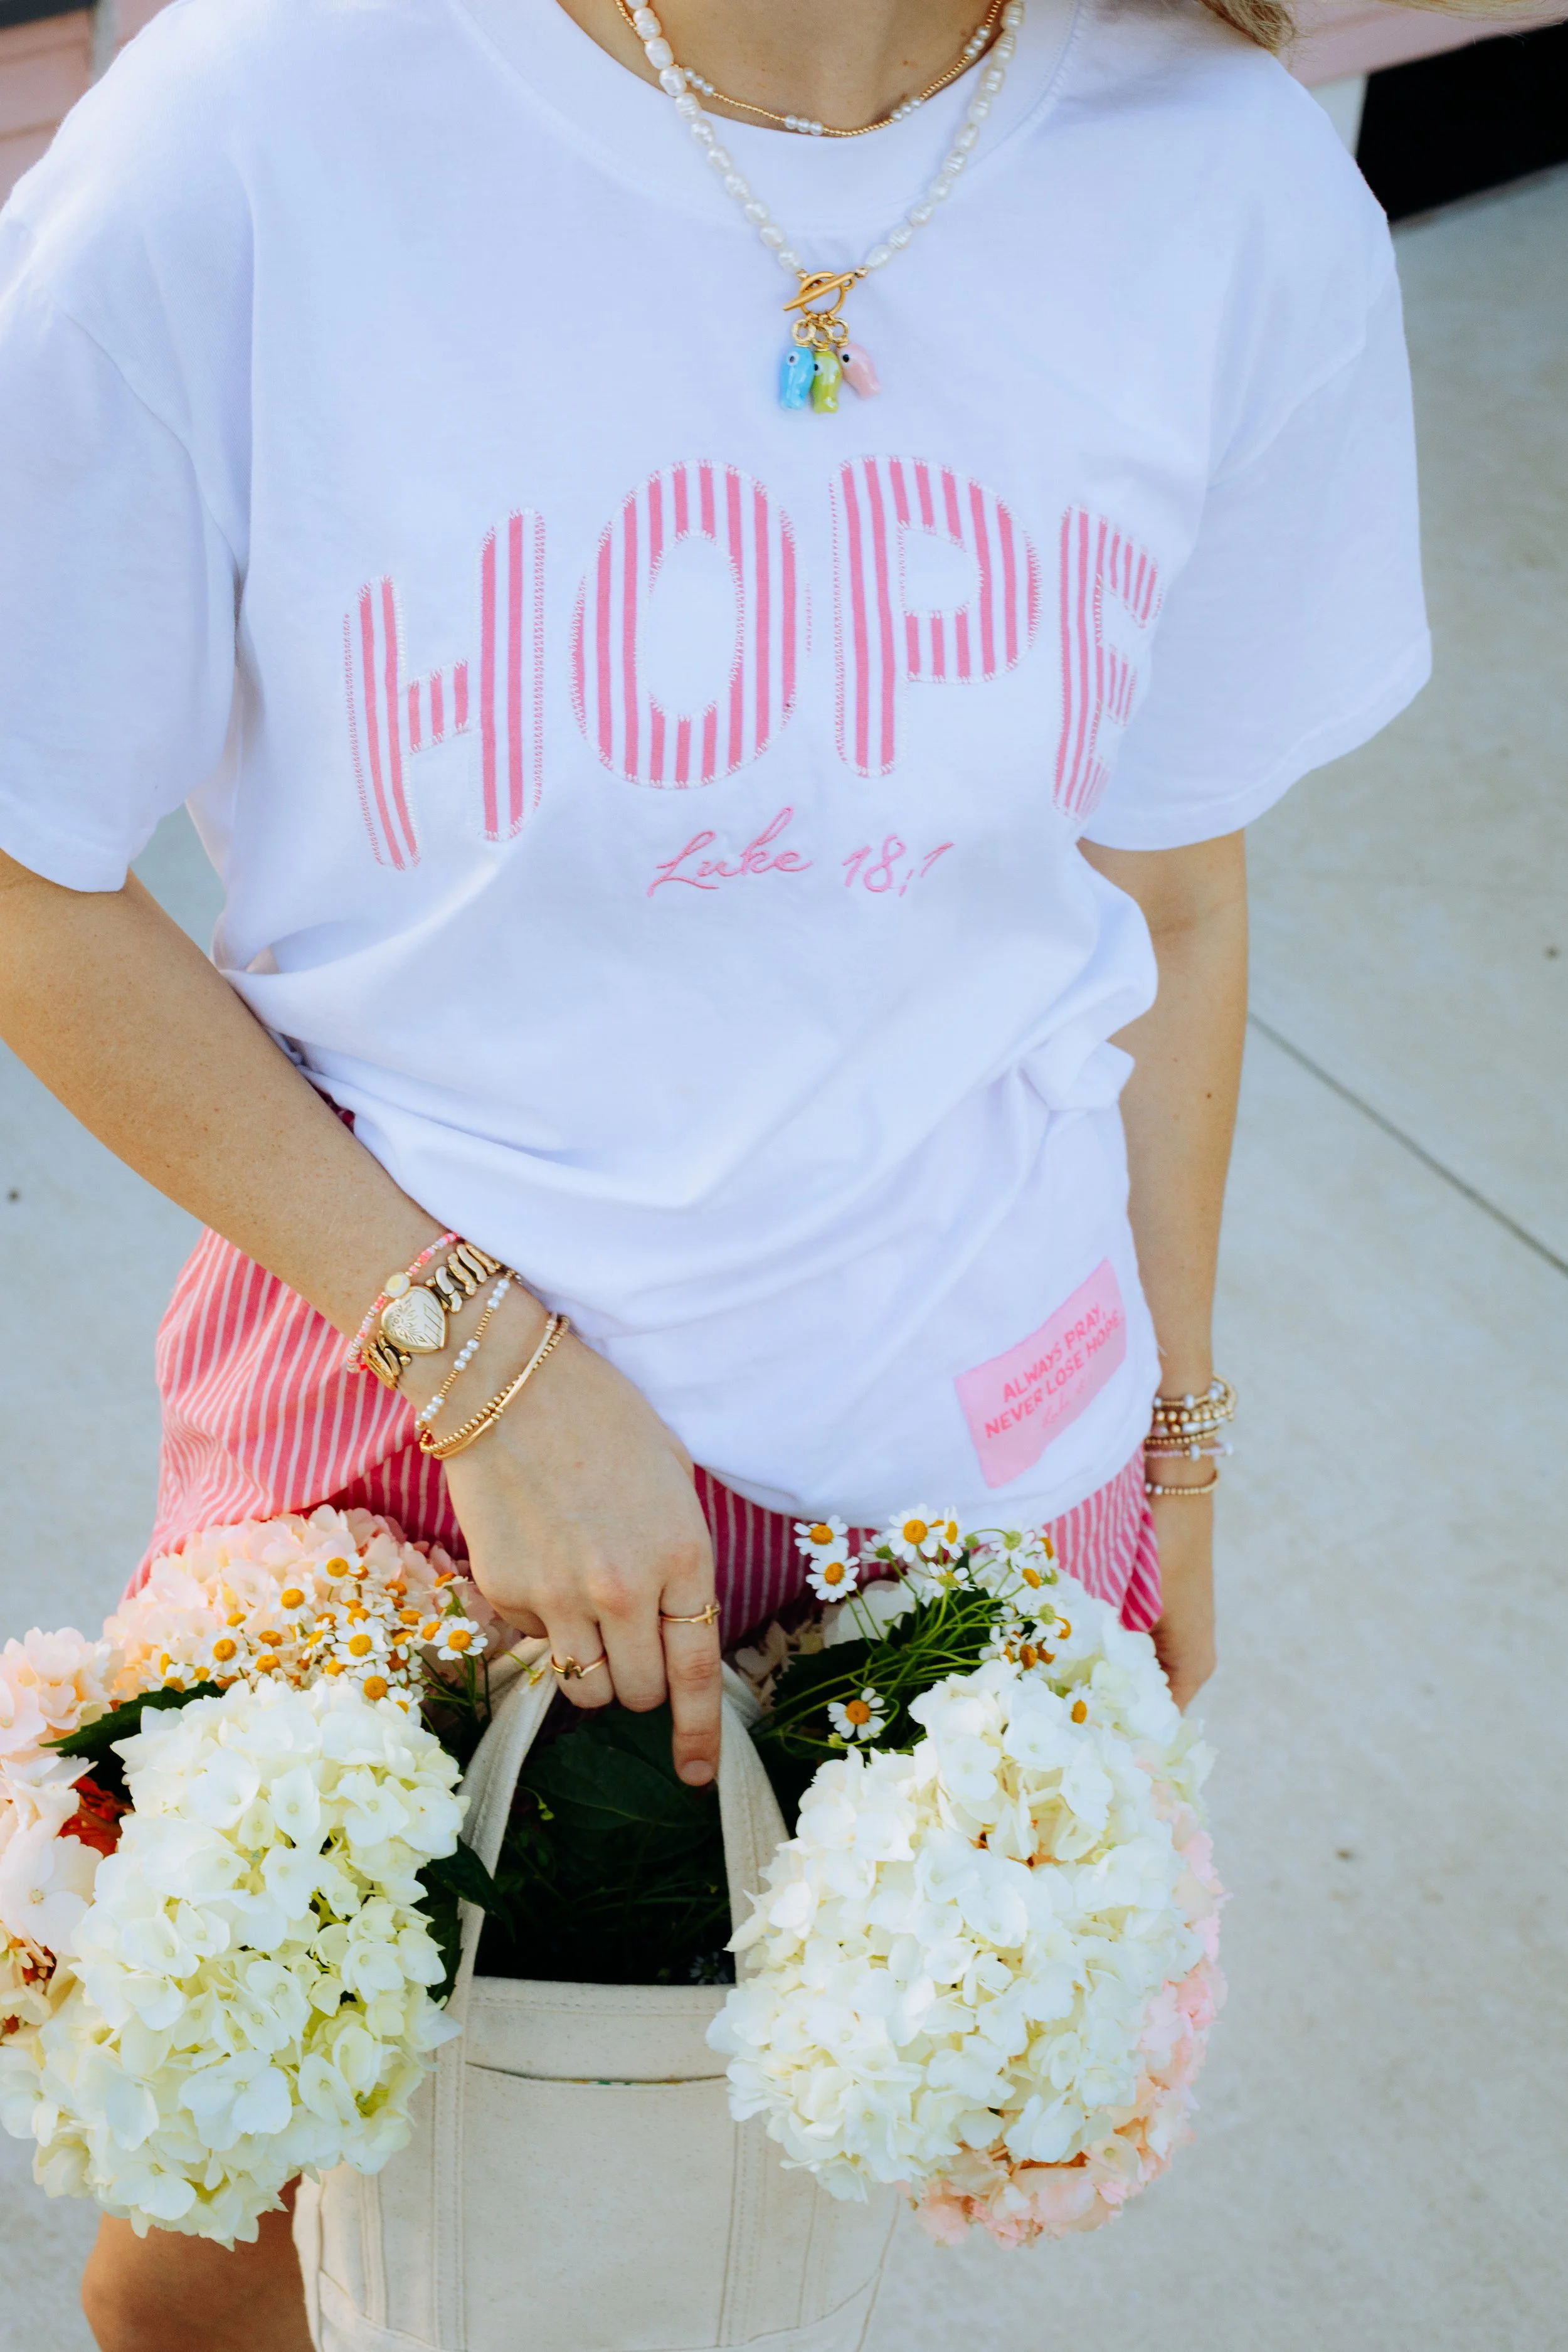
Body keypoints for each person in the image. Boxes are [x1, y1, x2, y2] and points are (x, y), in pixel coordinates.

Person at [0, 0, 1428, 2331]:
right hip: (400, 1423)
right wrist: (484, 1366)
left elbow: (1168, 892)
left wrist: (1175, 1437)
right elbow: (23, 863)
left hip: (974, 1476)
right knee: (206, 2276)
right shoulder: (263, 132)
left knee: (681, 2266)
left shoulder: (1224, 186)